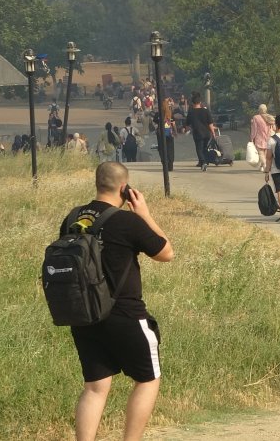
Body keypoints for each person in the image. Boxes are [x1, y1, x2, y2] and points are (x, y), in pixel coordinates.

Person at [62, 161, 173, 441]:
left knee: (95, 387)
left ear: (97, 184)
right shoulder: (127, 221)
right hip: (125, 313)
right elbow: (166, 253)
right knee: (147, 381)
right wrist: (144, 214)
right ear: (125, 188)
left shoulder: (72, 218)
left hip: (85, 314)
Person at [185, 95, 216, 171]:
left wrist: (186, 130)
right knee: (205, 148)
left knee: (199, 149)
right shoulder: (206, 111)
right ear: (200, 102)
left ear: (192, 103)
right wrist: (213, 132)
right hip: (207, 133)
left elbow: (187, 124)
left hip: (197, 133)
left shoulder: (191, 112)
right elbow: (210, 123)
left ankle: (203, 162)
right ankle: (205, 161)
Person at [249, 104, 275, 171]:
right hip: (268, 137)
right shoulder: (269, 117)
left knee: (261, 153)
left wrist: (252, 137)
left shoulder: (256, 117)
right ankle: (262, 166)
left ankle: (265, 165)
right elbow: (274, 127)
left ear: (259, 110)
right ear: (266, 109)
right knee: (266, 153)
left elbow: (254, 129)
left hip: (259, 138)